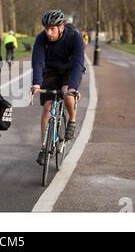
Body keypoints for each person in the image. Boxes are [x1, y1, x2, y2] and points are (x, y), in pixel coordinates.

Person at [31, 9, 85, 165]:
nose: (48, 32)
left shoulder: (74, 37)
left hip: (70, 70)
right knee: (47, 107)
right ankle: (44, 148)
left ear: (61, 27)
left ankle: (72, 120)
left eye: (52, 29)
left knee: (67, 95)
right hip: (51, 71)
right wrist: (36, 83)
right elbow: (38, 61)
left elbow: (78, 63)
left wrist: (73, 87)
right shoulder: (41, 39)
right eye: (46, 29)